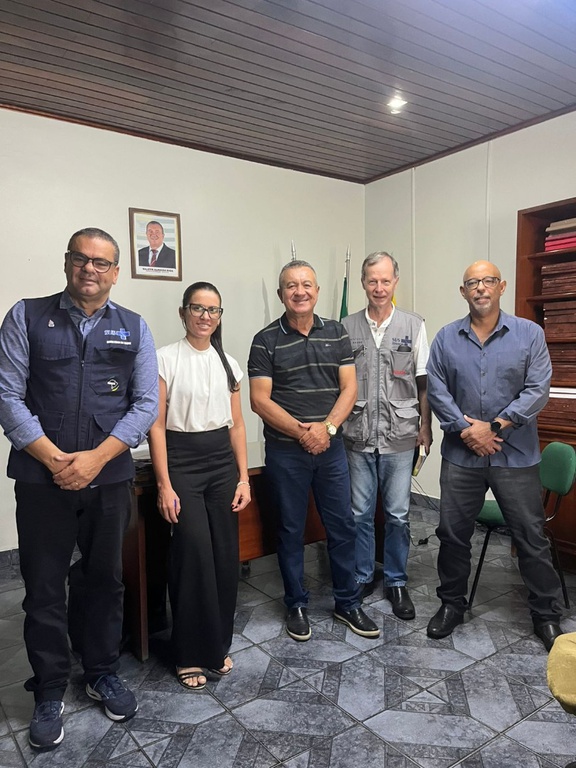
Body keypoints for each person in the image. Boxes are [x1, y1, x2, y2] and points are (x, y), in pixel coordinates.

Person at [0, 228, 158, 751]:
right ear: (68, 262)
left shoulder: (134, 327)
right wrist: (54, 459)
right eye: (81, 258)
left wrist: (95, 459)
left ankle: (101, 672)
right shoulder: (26, 316)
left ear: (116, 272)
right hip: (41, 479)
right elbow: (8, 395)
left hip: (109, 478)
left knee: (104, 581)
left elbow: (144, 405)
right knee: (44, 588)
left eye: (102, 262)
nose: (90, 268)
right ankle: (48, 690)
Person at [425, 259, 564, 651]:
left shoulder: (529, 334)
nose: (480, 288)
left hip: (515, 455)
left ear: (501, 287)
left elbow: (538, 388)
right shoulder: (446, 338)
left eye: (487, 281)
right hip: (461, 454)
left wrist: (497, 426)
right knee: (452, 535)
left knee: (530, 537)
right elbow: (436, 389)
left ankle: (546, 615)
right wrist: (467, 430)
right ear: (463, 291)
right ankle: (452, 604)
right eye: (472, 282)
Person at [248, 260, 379, 642]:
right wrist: (304, 433)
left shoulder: (337, 333)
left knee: (341, 525)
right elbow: (259, 400)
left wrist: (328, 429)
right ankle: (296, 604)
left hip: (331, 449)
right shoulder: (264, 339)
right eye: (291, 286)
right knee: (289, 530)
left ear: (318, 291)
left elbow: (349, 388)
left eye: (306, 284)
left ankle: (348, 602)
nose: (299, 291)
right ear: (281, 295)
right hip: (286, 453)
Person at [148, 282, 250, 690]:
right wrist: (164, 485)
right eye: (198, 308)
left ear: (220, 316)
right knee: (192, 556)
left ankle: (215, 646)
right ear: (183, 312)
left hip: (221, 465)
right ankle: (188, 654)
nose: (205, 316)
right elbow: (156, 426)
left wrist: (243, 478)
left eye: (213, 310)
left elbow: (238, 425)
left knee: (225, 557)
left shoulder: (230, 363)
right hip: (183, 463)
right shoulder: (164, 359)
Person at [341, 251, 432, 619]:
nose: (379, 287)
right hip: (357, 436)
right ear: (363, 283)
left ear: (396, 282)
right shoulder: (345, 327)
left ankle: (396, 580)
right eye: (372, 281)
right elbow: (340, 385)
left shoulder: (414, 325)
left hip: (401, 435)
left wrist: (425, 427)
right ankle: (363, 575)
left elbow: (424, 383)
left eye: (386, 280)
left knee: (397, 515)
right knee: (360, 514)